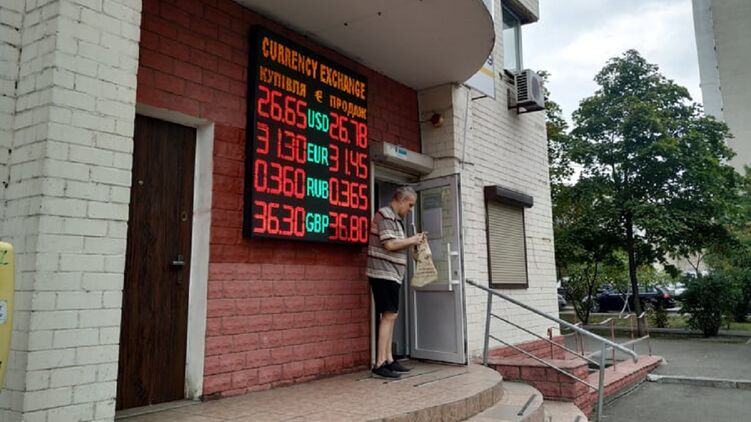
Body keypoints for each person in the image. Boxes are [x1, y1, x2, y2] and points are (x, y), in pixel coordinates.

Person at [367, 186, 426, 379]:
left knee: (391, 315)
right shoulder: (385, 215)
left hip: (391, 274)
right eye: (410, 205)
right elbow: (390, 244)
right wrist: (412, 240)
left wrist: (413, 243)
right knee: (388, 316)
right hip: (383, 273)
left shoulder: (395, 219)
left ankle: (389, 359)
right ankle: (380, 364)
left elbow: (395, 244)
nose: (410, 209)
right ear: (402, 200)